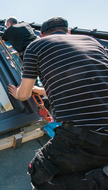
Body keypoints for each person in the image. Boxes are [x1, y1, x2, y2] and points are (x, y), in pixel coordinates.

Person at [8, 17, 108, 189]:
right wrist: (38, 90)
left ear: (41, 34)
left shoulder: (35, 47)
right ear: (67, 31)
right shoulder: (91, 41)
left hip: (87, 133)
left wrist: (16, 92)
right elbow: (83, 82)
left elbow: (23, 94)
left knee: (39, 175)